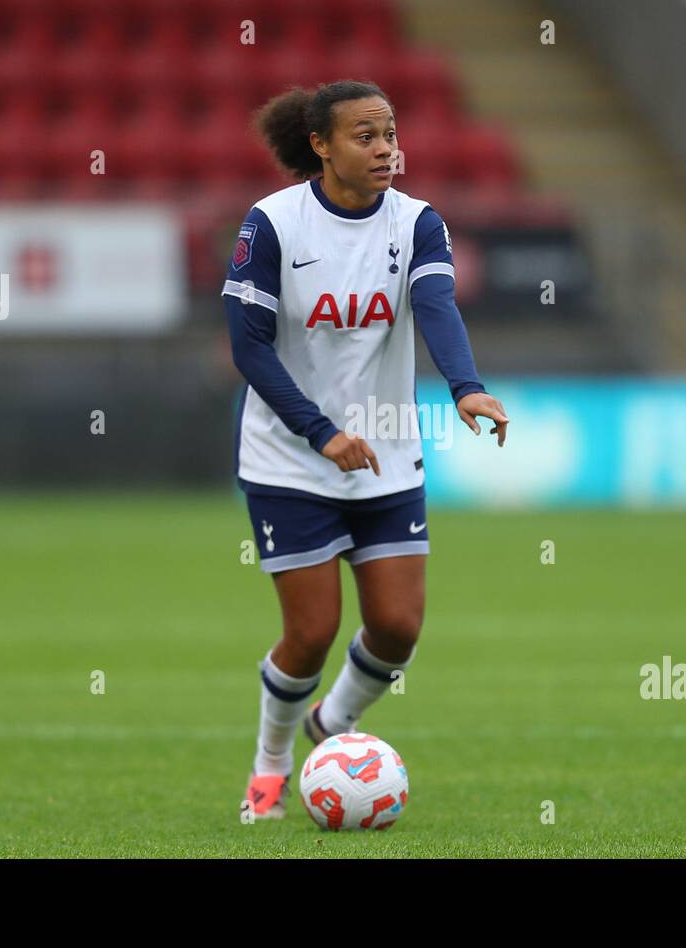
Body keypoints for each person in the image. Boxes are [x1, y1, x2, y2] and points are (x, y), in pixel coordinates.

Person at [223, 80, 509, 819]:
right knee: (311, 634)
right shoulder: (273, 225)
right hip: (291, 459)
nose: (386, 149)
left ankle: (333, 727)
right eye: (365, 136)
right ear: (321, 145)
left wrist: (465, 388)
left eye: (389, 133)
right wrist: (321, 433)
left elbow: (437, 305)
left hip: (384, 453)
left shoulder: (416, 222)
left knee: (398, 627)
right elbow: (249, 348)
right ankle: (270, 767)